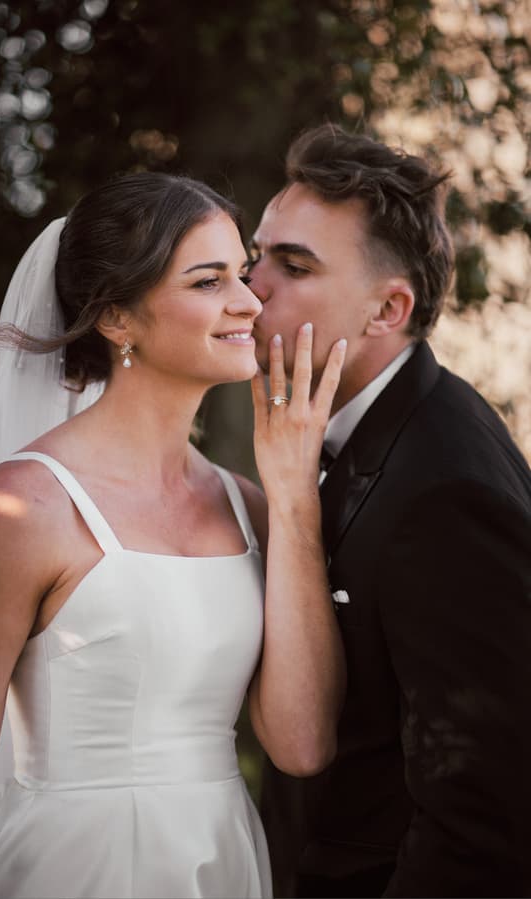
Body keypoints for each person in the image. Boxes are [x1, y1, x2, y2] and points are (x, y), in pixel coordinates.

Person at [0, 171, 348, 899]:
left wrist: (292, 501)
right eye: (208, 281)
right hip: (70, 868)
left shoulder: (248, 505)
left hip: (219, 861)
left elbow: (302, 742)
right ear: (118, 317)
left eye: (240, 275)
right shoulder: (25, 507)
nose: (249, 302)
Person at [249, 124, 531, 897]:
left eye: (293, 265)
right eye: (256, 255)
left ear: (386, 310)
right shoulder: (341, 433)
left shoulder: (448, 488)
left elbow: (483, 816)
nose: (251, 287)